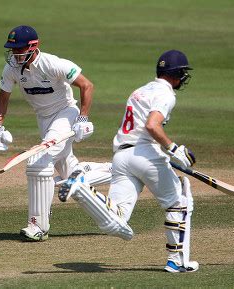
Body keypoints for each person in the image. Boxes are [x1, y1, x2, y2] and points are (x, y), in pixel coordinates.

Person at [59, 50, 199, 273]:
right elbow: (152, 126)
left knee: (117, 218)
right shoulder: (166, 95)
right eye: (182, 73)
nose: (183, 77)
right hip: (146, 154)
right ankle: (176, 261)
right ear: (175, 74)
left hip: (122, 156)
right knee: (178, 204)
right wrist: (174, 149)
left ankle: (83, 189)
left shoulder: (140, 90)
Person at [0, 25, 112, 242]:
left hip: (66, 113)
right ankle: (122, 170)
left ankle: (38, 225)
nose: (15, 54)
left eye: (19, 49)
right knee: (69, 175)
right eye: (12, 50)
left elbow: (87, 85)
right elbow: (3, 98)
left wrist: (82, 118)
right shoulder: (12, 69)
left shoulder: (52, 63)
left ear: (33, 46)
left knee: (38, 163)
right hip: (44, 120)